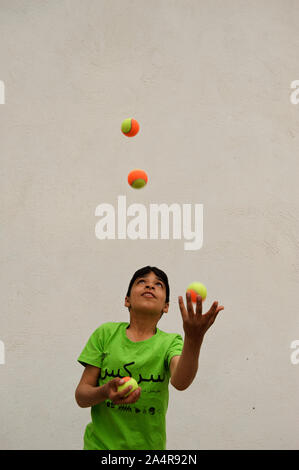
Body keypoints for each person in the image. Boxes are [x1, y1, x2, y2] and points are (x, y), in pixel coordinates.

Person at [75, 265, 224, 450]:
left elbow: (181, 382)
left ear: (166, 306)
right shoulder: (105, 334)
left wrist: (194, 338)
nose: (150, 286)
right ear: (127, 300)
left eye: (158, 284)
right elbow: (81, 396)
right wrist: (105, 391)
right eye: (141, 282)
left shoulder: (170, 342)